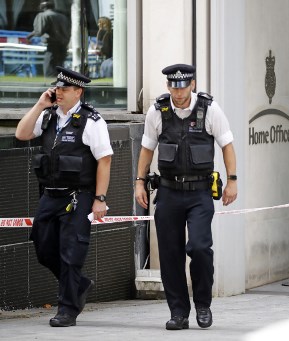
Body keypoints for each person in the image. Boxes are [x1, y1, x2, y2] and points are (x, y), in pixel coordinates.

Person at [134, 63, 238, 331]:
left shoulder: (209, 109)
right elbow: (147, 149)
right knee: (170, 255)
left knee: (200, 248)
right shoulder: (157, 111)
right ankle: (178, 312)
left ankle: (203, 304)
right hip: (168, 192)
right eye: (173, 87)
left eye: (182, 87)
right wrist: (139, 183)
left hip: (200, 193)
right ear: (168, 86)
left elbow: (227, 145)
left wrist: (232, 181)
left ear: (192, 84)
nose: (177, 93)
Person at [15, 66, 113, 327]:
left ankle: (67, 309)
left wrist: (100, 199)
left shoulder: (92, 121)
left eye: (64, 89)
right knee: (43, 248)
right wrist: (38, 105)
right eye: (57, 88)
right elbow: (21, 134)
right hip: (50, 195)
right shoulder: (48, 117)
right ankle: (79, 285)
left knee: (71, 253)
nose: (58, 92)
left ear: (78, 91)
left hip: (78, 196)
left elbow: (105, 160)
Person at [27, 1, 71, 78]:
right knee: (59, 69)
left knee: (49, 69)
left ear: (43, 7)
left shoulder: (43, 15)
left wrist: (29, 36)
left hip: (52, 45)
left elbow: (39, 31)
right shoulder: (63, 17)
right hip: (63, 46)